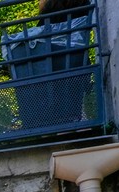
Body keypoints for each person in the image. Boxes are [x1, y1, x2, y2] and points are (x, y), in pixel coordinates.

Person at [6, 0, 93, 129]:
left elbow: (38, 39)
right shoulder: (83, 8)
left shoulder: (48, 17)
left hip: (50, 68)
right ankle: (76, 123)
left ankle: (61, 125)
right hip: (73, 62)